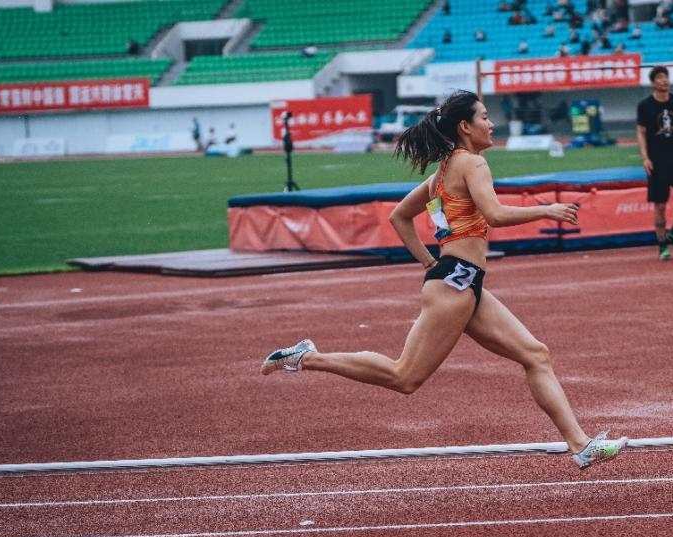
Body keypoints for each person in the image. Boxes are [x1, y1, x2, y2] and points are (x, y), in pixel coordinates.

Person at [260, 90, 628, 470]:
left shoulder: (443, 171)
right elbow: (495, 215)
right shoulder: (472, 163)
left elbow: (399, 217)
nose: (491, 124)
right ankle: (306, 357)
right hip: (455, 282)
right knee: (404, 376)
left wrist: (429, 264)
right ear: (465, 126)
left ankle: (580, 444)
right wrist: (546, 210)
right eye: (484, 117)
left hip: (461, 280)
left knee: (536, 355)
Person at [636, 66, 673, 261]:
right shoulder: (645, 106)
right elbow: (641, 132)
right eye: (660, 78)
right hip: (657, 161)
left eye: (666, 77)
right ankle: (662, 244)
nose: (664, 80)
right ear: (653, 83)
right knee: (660, 205)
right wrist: (645, 157)